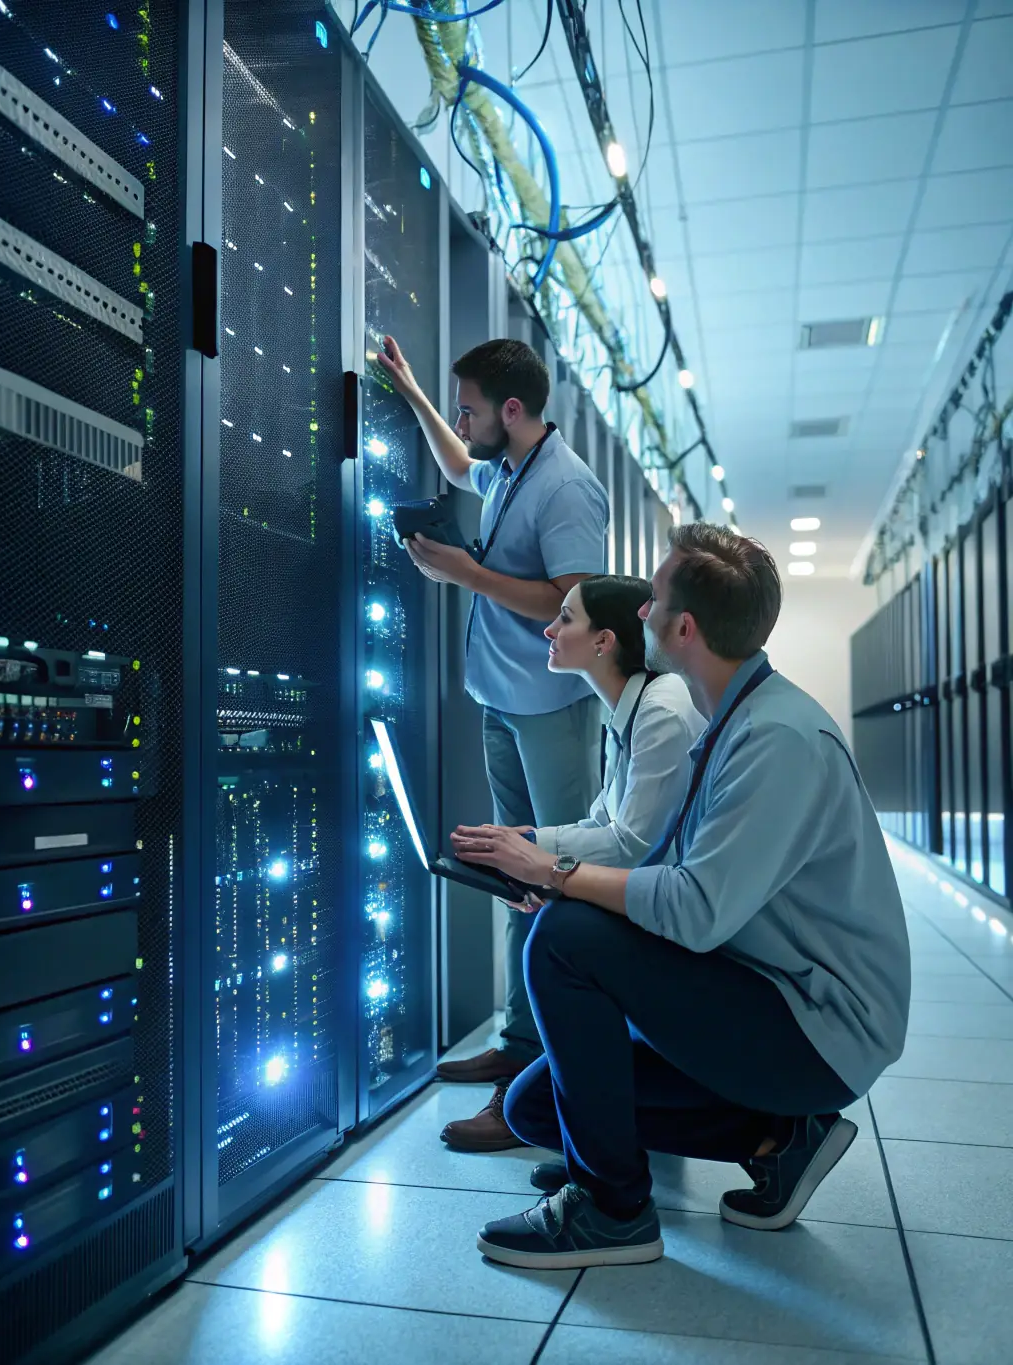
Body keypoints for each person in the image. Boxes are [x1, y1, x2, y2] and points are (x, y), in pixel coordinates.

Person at [451, 523, 911, 1270]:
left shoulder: (776, 738)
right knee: (537, 1107)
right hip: (768, 988)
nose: (641, 611)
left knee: (564, 940)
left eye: (654, 600)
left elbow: (693, 909)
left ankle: (613, 1211)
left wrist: (557, 875)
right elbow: (665, 863)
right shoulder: (732, 719)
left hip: (820, 1027)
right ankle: (779, 1138)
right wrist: (551, 875)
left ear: (685, 628)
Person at [377, 335, 609, 1135]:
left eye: (470, 407)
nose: (464, 420)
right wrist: (412, 390)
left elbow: (576, 604)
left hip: (550, 709)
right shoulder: (508, 467)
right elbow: (457, 462)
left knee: (560, 883)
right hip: (503, 702)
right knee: (517, 879)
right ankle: (519, 1048)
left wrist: (467, 573)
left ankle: (554, 1085)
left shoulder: (567, 487)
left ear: (511, 410)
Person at [439, 574, 705, 1152]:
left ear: (604, 641)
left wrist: (540, 863)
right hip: (655, 897)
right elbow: (602, 822)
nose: (549, 630)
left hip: (680, 918)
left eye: (565, 618)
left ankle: (575, 1125)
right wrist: (526, 841)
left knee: (558, 931)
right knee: (549, 907)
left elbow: (635, 844)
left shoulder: (661, 711)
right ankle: (576, 1116)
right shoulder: (631, 708)